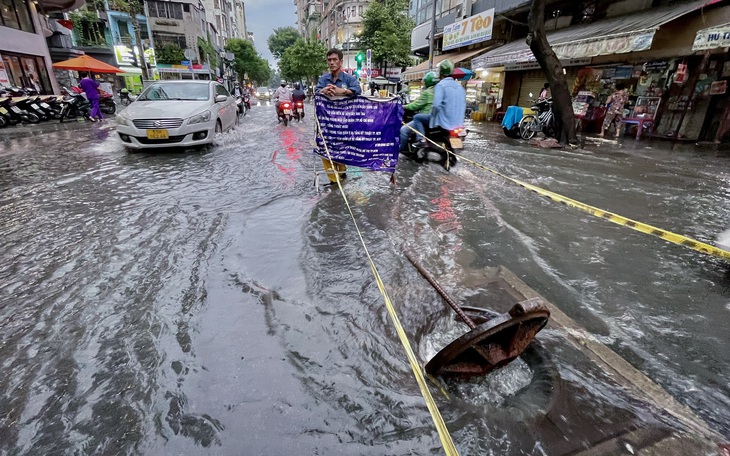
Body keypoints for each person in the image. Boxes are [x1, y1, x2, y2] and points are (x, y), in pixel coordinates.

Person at [315, 48, 362, 184]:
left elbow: (357, 90)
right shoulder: (323, 80)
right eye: (329, 60)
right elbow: (316, 92)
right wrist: (322, 91)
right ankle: (334, 182)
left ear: (341, 62)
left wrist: (343, 91)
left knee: (341, 152)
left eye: (335, 59)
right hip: (327, 125)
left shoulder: (349, 79)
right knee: (325, 150)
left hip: (344, 125)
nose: (332, 62)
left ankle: (341, 173)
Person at [399, 71, 437, 153]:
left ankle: (402, 149)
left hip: (426, 117)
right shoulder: (440, 90)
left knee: (404, 130)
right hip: (437, 119)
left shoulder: (427, 92)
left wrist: (402, 106)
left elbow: (415, 105)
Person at [429, 59, 466, 133]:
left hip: (443, 125)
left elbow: (436, 105)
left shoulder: (441, 85)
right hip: (459, 125)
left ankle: (421, 140)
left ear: (440, 73)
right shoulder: (460, 87)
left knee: (418, 118)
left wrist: (432, 117)